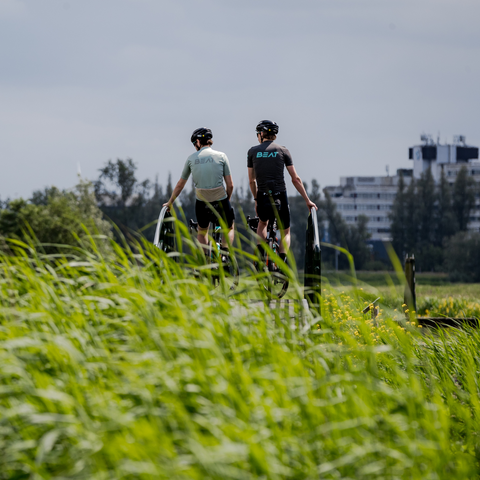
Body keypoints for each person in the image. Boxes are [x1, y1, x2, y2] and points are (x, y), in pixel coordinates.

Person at [247, 119, 317, 263]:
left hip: (263, 195)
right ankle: (282, 259)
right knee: (285, 231)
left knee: (262, 223)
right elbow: (295, 179)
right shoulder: (283, 150)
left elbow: (251, 181)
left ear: (261, 134)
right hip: (280, 195)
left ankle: (260, 255)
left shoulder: (252, 152)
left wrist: (256, 199)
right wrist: (307, 200)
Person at [163, 127, 235, 250]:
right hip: (220, 199)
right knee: (229, 227)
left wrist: (170, 203)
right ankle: (225, 253)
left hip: (202, 203)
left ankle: (205, 260)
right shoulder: (222, 156)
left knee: (202, 231)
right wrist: (226, 199)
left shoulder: (191, 159)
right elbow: (230, 185)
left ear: (197, 141)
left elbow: (180, 184)